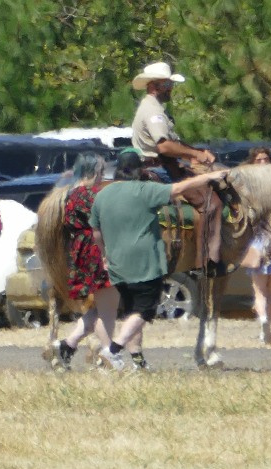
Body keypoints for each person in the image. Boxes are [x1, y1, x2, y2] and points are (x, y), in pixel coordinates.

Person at [89, 149, 227, 371]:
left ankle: (137, 362)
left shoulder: (102, 196)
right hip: (145, 263)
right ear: (139, 170)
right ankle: (112, 351)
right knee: (144, 311)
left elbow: (95, 231)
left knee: (132, 312)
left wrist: (104, 253)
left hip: (116, 263)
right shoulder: (145, 190)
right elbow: (181, 187)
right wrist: (208, 177)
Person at [129, 61, 225, 272]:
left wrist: (195, 152)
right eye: (168, 84)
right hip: (159, 168)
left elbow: (174, 143)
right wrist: (195, 154)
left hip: (163, 165)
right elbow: (164, 146)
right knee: (211, 201)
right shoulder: (152, 110)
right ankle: (206, 262)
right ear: (156, 85)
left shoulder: (153, 108)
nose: (171, 88)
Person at [48, 153, 126, 370]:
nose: (102, 176)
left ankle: (66, 345)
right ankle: (110, 356)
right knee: (107, 311)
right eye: (101, 172)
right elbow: (108, 222)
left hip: (81, 252)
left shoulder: (70, 194)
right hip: (98, 253)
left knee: (100, 308)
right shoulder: (92, 194)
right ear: (94, 171)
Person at [242, 147, 271, 345]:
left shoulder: (249, 185)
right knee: (270, 291)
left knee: (260, 290)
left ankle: (263, 323)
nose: (263, 162)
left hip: (259, 240)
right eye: (260, 159)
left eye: (265, 159)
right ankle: (266, 326)